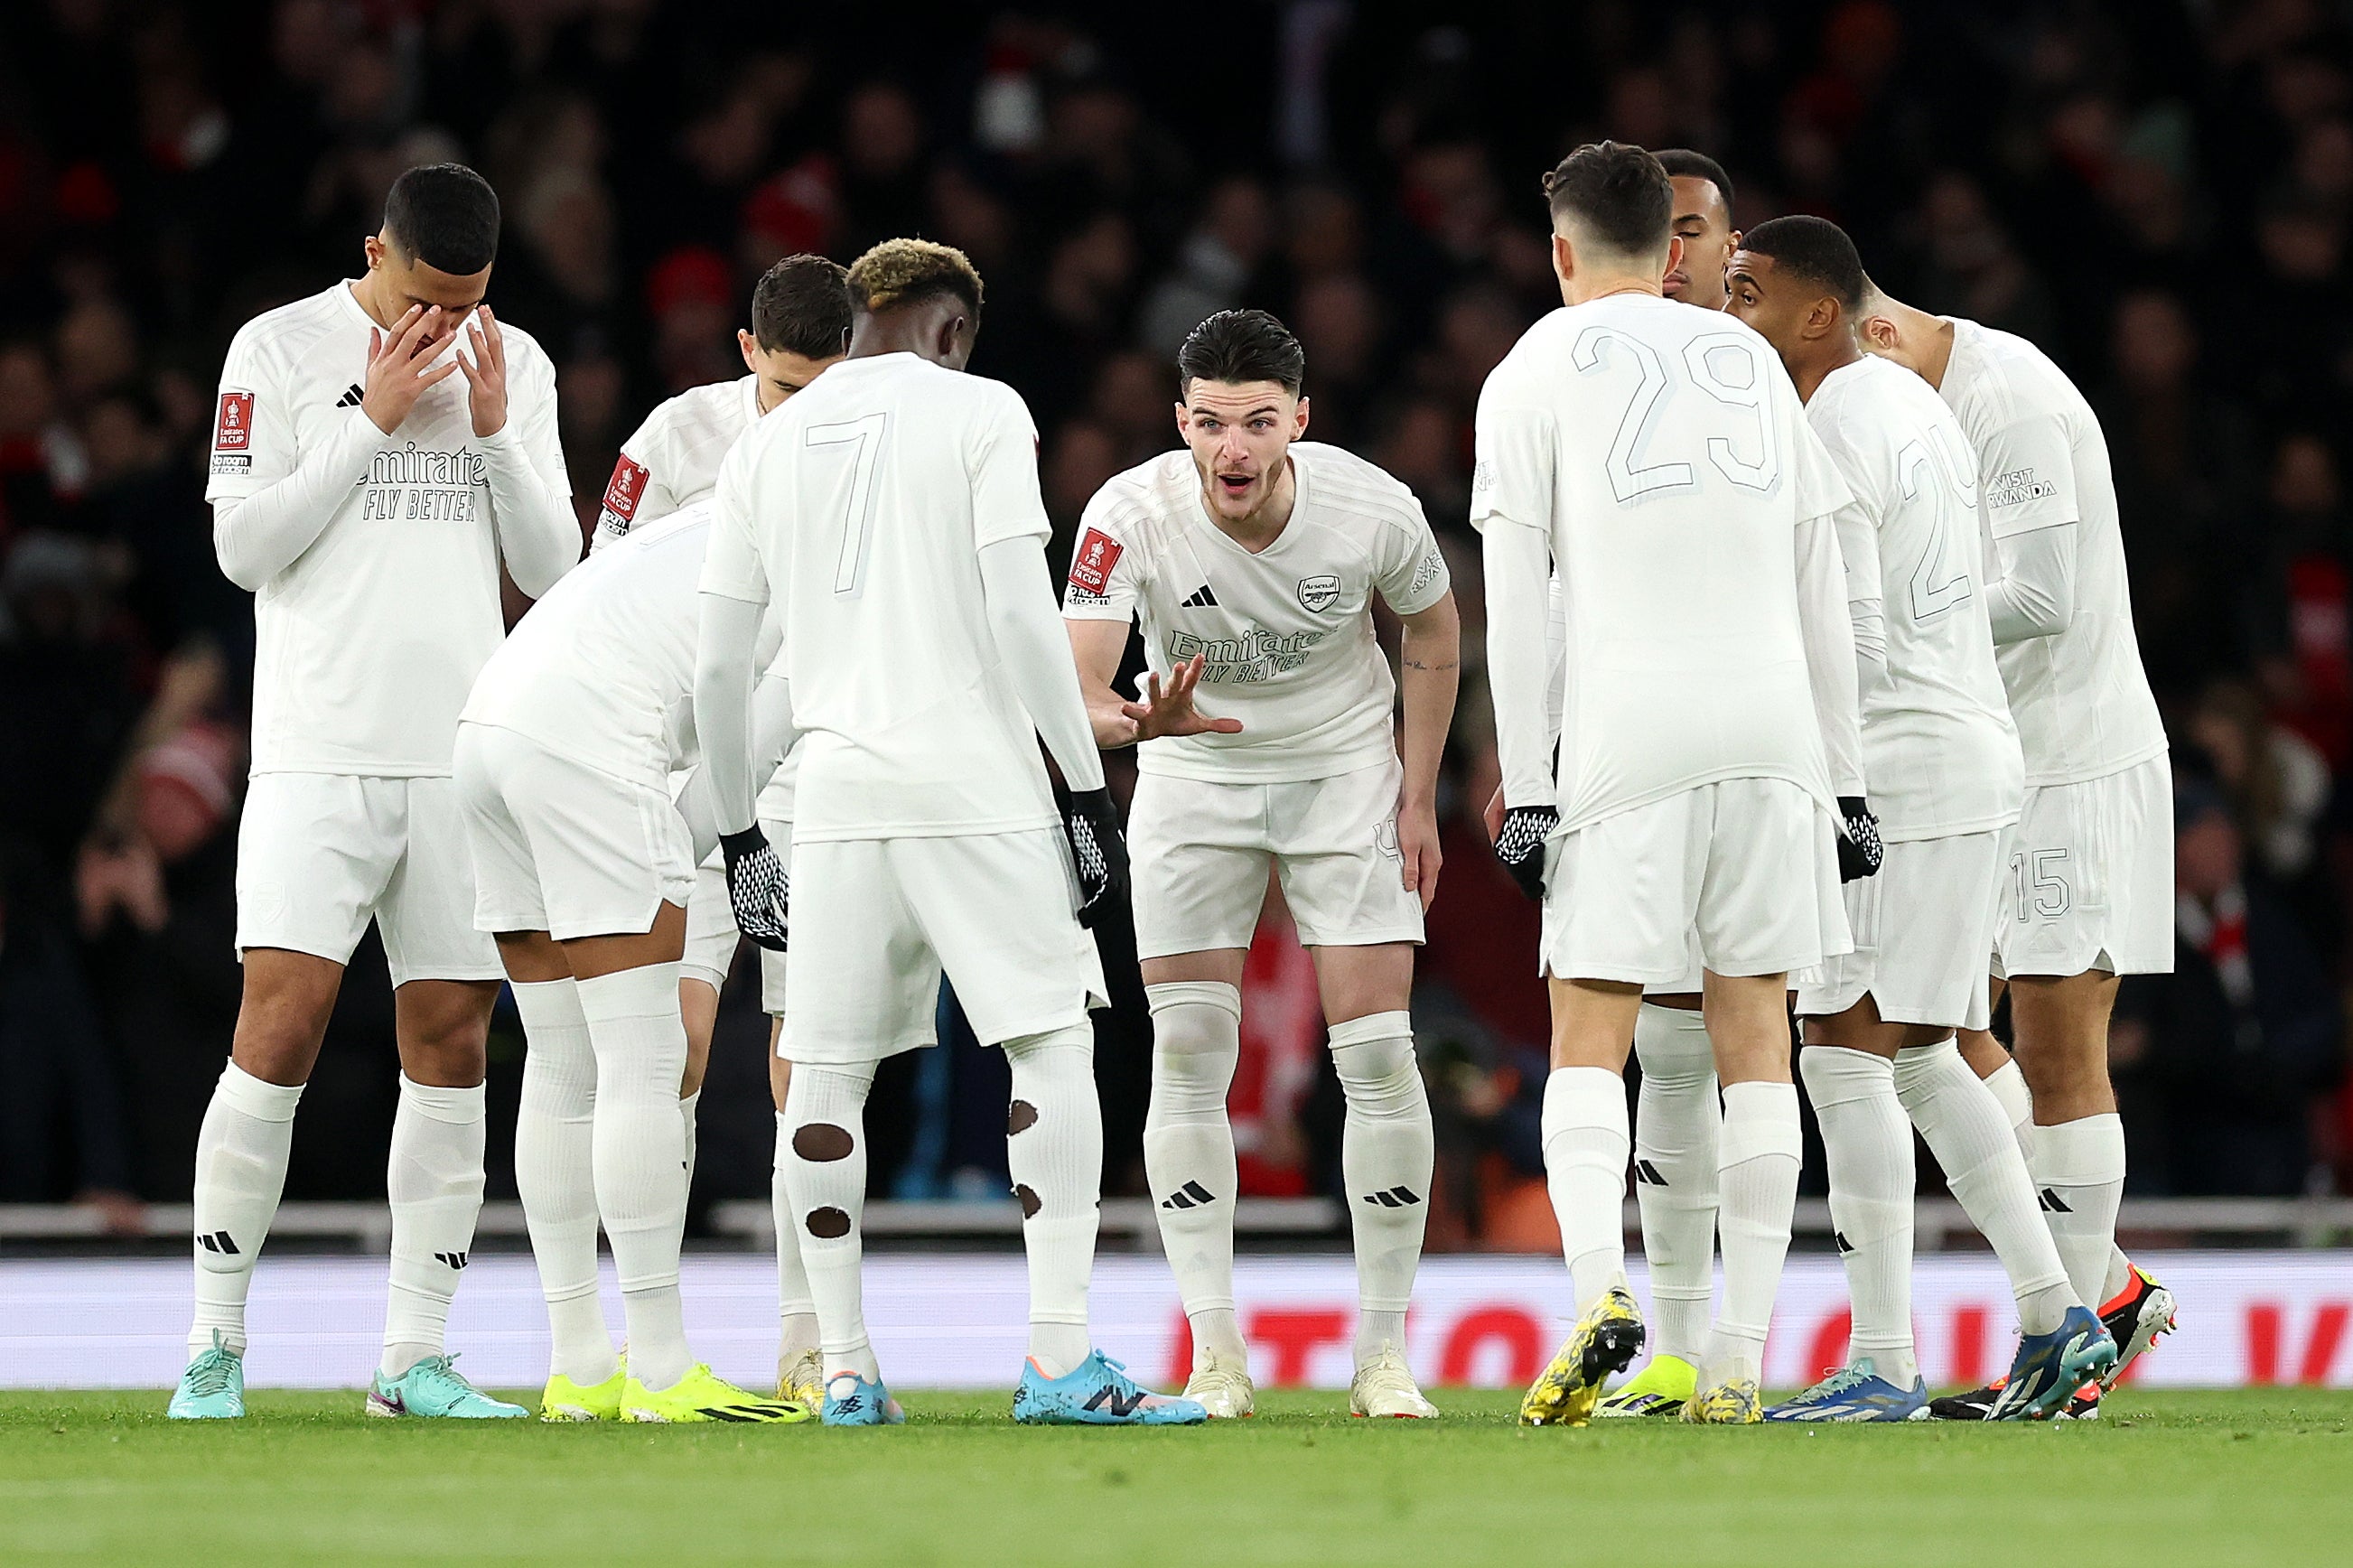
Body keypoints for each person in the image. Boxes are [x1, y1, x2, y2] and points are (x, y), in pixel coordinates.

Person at [693, 238, 1205, 1427]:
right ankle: (1060, 1362)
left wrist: (733, 830)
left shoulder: (766, 442)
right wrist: (1081, 793)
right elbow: (1025, 617)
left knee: (822, 1073)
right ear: (953, 329)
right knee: (1046, 1050)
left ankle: (848, 1371)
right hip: (971, 788)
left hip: (830, 796)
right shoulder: (982, 411)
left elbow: (723, 666)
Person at [173, 163, 579, 1421]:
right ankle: (214, 1346)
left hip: (459, 752)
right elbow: (244, 550)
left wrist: (500, 431)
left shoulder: (514, 362)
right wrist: (373, 416)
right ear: (375, 253)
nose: (444, 321)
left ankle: (412, 1359)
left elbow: (554, 568)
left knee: (453, 1044)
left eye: (467, 299)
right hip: (319, 747)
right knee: (278, 1030)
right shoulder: (277, 346)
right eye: (424, 293)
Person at [1475, 142, 1873, 1427]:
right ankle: (1742, 1358)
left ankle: (1601, 1294)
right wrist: (1846, 778)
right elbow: (1820, 573)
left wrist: (1528, 777)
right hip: (1774, 737)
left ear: (1561, 251)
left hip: (1626, 733)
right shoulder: (1754, 359)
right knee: (1761, 1041)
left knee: (1591, 1029)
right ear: (1677, 247)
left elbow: (1518, 592)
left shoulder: (1534, 364)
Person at [1727, 215, 2115, 1421]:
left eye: (1747, 291)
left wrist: (1822, 775)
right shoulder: (1910, 408)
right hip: (1963, 755)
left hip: (1894, 766)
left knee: (1841, 1048)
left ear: (1815, 313)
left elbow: (1854, 622)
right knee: (1924, 1051)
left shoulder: (1833, 419)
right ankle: (2059, 1316)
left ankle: (1885, 1360)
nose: (1728, 313)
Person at [1063, 308, 1461, 1419]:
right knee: (1188, 1044)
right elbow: (1079, 692)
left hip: (1343, 769)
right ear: (1178, 420)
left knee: (1376, 1051)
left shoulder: (1373, 506)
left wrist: (1418, 787)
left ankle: (1383, 1357)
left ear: (1298, 419)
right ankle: (1216, 1355)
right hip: (1193, 770)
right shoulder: (1126, 514)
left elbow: (1431, 628)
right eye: (1209, 423)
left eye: (1254, 423)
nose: (1230, 449)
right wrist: (1142, 725)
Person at [1860, 267, 2179, 1420]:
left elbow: (2040, 595)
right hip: (1991, 755)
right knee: (1935, 1025)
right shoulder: (1922, 392)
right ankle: (2099, 1292)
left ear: (1880, 328)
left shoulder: (2017, 400)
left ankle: (2065, 1362)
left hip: (2071, 762)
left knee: (2055, 1039)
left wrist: (1879, 618)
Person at [454, 498, 803, 1423]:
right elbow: (762, 730)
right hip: (585, 737)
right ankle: (657, 1368)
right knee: (644, 1058)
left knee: (562, 1061)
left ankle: (578, 1367)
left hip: (488, 726)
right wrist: (717, 846)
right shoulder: (841, 553)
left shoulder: (717, 514)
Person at [590, 252, 852, 1405]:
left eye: (826, 385)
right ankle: (657, 1343)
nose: (805, 411)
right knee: (672, 1049)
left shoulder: (876, 447)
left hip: (817, 761)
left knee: (810, 1055)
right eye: (786, 388)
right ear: (747, 352)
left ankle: (810, 1338)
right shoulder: (674, 439)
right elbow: (594, 596)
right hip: (689, 770)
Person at [1596, 144, 1743, 1420]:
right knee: (1670, 1047)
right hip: (1649, 746)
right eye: (1668, 230)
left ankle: (1867, 1346)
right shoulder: (1599, 382)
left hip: (1777, 754)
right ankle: (1688, 1350)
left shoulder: (1781, 384)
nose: (1685, 253)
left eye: (1701, 229)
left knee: (1871, 1053)